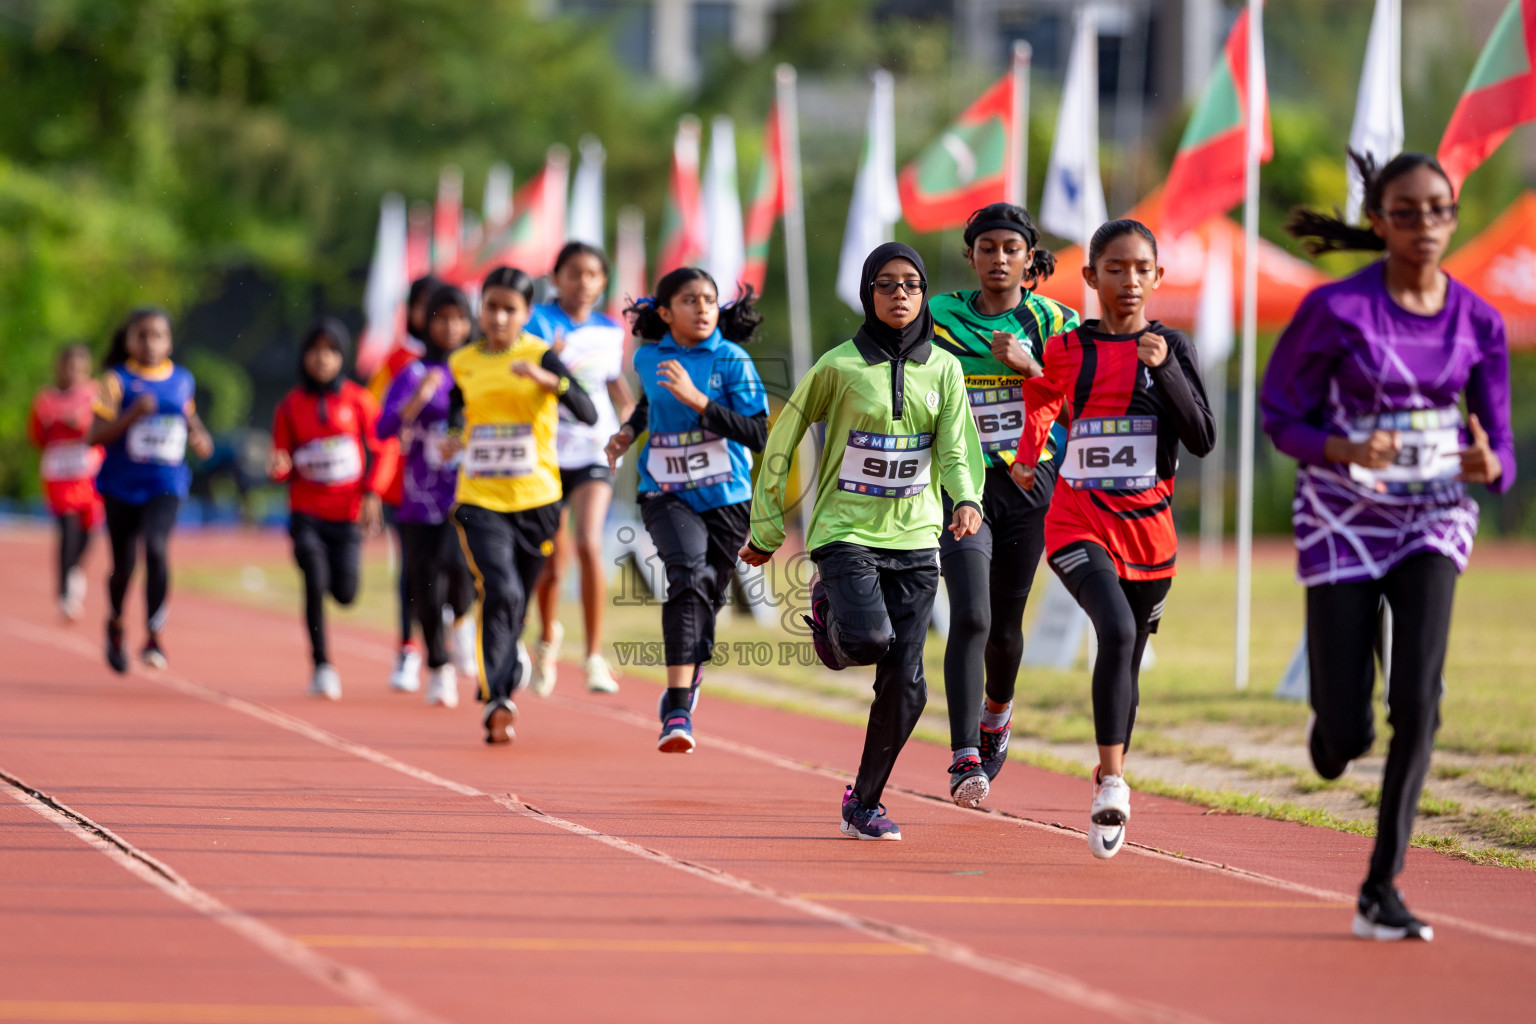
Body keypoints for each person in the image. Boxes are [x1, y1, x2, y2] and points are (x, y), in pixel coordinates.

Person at [1262, 151, 1514, 942]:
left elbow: (1499, 441)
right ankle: (1335, 728)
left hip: (1432, 517)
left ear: (1453, 215)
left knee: (1419, 702)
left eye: (1438, 209)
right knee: (1349, 734)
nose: (1426, 224)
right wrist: (1343, 450)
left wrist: (1490, 463)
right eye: (1406, 211)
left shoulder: (1479, 320)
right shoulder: (1335, 310)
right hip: (1341, 517)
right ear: (1379, 221)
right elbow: (1282, 418)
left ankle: (1382, 887)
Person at [741, 242, 984, 841]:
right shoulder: (839, 366)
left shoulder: (945, 370)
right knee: (870, 638)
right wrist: (768, 527)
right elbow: (785, 433)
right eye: (886, 285)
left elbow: (955, 450)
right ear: (867, 294)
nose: (899, 295)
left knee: (908, 686)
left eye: (910, 285)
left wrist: (968, 498)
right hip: (845, 533)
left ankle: (864, 803)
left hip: (917, 538)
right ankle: (829, 615)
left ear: (925, 294)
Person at [1008, 220, 1214, 860]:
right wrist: (1024, 454)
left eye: (1140, 269)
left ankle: (1108, 765)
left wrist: (1166, 374)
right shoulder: (1069, 349)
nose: (1128, 281)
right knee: (1116, 632)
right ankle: (1114, 783)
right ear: (1092, 278)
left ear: (1158, 277)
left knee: (1127, 655)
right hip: (1076, 521)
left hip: (1151, 531)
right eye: (1114, 269)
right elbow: (1045, 401)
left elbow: (1203, 437)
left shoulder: (1172, 346)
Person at [930, 202, 1080, 806]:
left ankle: (997, 712)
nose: (998, 258)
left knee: (1005, 624)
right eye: (986, 247)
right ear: (970, 255)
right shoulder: (940, 315)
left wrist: (1033, 367)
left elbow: (1083, 409)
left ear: (1028, 258)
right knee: (969, 612)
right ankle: (965, 751)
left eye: (1009, 249)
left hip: (1028, 479)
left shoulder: (1054, 319)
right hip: (962, 482)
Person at [604, 268, 767, 754]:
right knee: (686, 575)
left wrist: (698, 401)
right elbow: (650, 406)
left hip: (725, 498)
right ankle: (677, 708)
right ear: (665, 311)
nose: (701, 308)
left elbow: (759, 434)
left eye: (709, 300)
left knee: (707, 598)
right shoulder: (649, 355)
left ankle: (691, 669)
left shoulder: (731, 359)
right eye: (689, 300)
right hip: (665, 491)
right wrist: (628, 434)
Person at [447, 266, 597, 744]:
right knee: (500, 589)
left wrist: (547, 380)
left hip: (538, 501)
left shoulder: (542, 356)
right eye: (491, 306)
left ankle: (508, 652)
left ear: (526, 313)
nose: (498, 317)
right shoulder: (464, 361)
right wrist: (453, 436)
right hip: (479, 499)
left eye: (509, 309)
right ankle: (497, 697)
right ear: (480, 308)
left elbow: (588, 411)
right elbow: (456, 406)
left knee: (518, 597)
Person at [526, 242, 636, 697]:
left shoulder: (611, 331)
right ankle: (548, 638)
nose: (583, 281)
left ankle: (593, 655)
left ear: (603, 282)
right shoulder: (535, 322)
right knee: (552, 562)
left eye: (592, 274)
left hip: (595, 451)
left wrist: (630, 427)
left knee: (591, 542)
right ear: (556, 278)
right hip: (547, 453)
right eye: (573, 273)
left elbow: (618, 391)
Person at [88, 307, 214, 673]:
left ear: (169, 341)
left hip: (166, 483)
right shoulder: (116, 381)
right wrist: (131, 416)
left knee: (157, 549)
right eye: (141, 335)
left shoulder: (181, 380)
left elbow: (189, 419)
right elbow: (93, 436)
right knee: (124, 565)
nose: (149, 343)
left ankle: (154, 634)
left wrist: (201, 438)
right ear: (128, 341)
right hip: (121, 486)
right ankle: (114, 623)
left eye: (157, 335)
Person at [269, 319, 389, 699]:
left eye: (331, 351)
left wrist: (372, 493)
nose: (322, 359)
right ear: (304, 357)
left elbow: (383, 449)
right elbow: (281, 458)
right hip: (306, 511)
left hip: (347, 513)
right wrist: (279, 469)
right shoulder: (290, 405)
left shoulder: (359, 400)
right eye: (315, 350)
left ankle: (325, 652)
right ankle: (322, 664)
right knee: (313, 576)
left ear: (343, 356)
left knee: (345, 593)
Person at [378, 287, 479, 708]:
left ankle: (461, 626)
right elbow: (382, 429)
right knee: (425, 581)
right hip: (420, 495)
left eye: (458, 318)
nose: (450, 326)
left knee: (461, 571)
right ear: (426, 323)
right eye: (441, 317)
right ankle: (438, 667)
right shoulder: (413, 373)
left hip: (471, 492)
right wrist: (416, 402)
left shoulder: (478, 370)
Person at [369, 275, 443, 693]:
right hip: (406, 483)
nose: (436, 317)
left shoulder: (466, 360)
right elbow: (376, 418)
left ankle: (457, 628)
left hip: (455, 486)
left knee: (455, 567)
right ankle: (407, 647)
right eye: (425, 306)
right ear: (413, 312)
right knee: (411, 570)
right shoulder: (398, 361)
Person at [30, 344, 105, 621]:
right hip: (59, 475)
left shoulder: (96, 394)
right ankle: (65, 595)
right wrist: (53, 426)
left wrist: (82, 425)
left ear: (87, 369)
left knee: (88, 532)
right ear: (58, 368)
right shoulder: (46, 399)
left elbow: (104, 428)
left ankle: (74, 571)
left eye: (79, 367)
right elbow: (36, 436)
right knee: (67, 529)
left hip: (89, 475)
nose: (73, 372)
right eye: (68, 366)